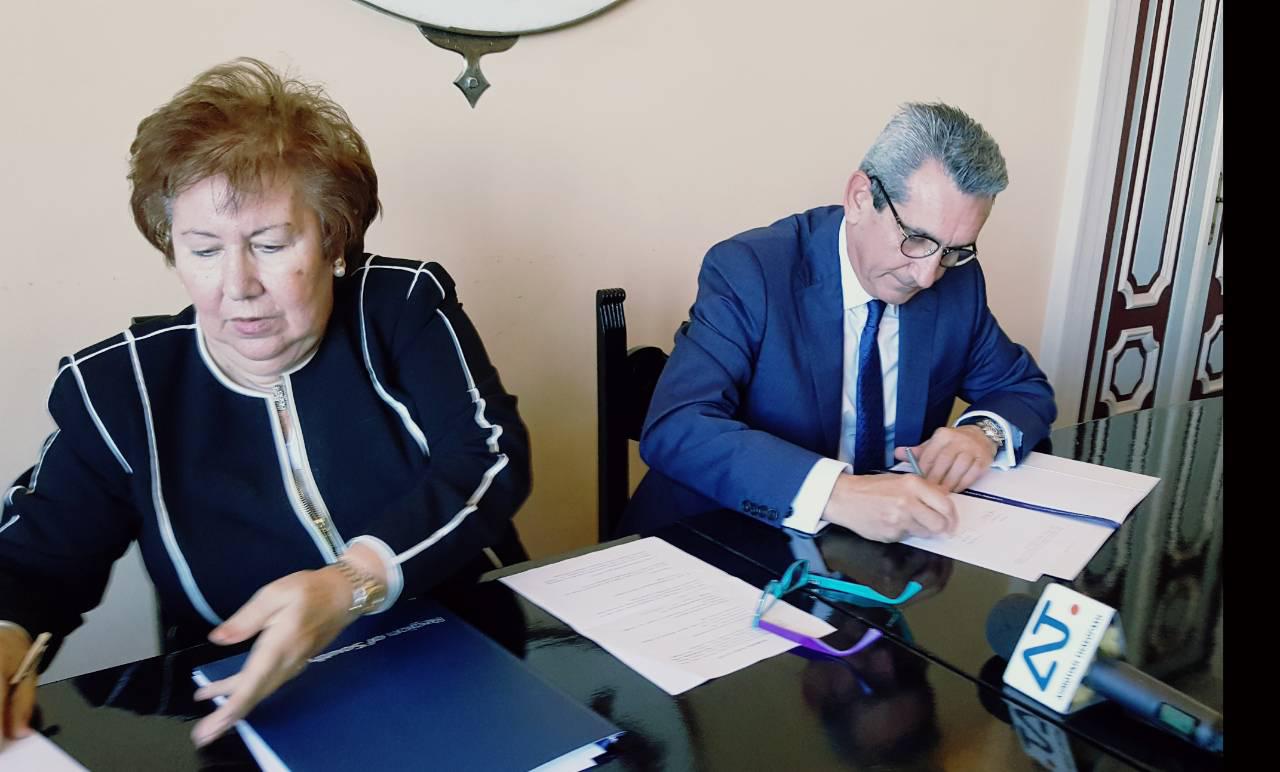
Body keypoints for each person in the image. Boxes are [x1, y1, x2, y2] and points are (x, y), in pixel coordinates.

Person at [0, 58, 531, 748]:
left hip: (467, 656)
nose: (237, 284)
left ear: (334, 240)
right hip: (254, 703)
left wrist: (353, 582)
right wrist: (6, 637)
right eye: (203, 249)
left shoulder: (399, 306)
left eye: (270, 244)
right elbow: (33, 562)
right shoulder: (119, 388)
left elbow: (489, 456)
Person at [621, 102, 1056, 541]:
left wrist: (983, 434)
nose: (927, 275)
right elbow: (678, 425)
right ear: (860, 198)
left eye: (953, 250)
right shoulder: (751, 272)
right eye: (917, 239)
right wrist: (836, 494)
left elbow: (1022, 389)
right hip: (724, 536)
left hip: (873, 554)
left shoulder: (958, 281)